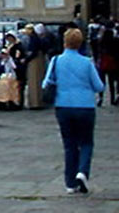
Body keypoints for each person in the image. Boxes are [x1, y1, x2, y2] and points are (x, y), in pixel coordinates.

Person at [43, 27, 105, 194]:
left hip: (63, 106)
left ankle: (70, 183)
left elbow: (46, 83)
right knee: (86, 142)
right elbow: (99, 86)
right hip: (85, 106)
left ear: (64, 42)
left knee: (69, 144)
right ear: (80, 43)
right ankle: (82, 171)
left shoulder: (56, 61)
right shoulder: (86, 62)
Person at [25, 24, 48, 109]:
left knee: (34, 81)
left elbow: (33, 51)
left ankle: (35, 102)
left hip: (34, 60)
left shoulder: (33, 39)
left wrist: (26, 59)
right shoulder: (37, 38)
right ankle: (37, 101)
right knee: (37, 80)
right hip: (38, 59)